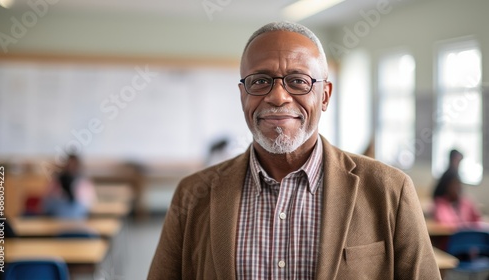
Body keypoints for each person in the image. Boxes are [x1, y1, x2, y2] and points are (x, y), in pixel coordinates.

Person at [148, 22, 440, 279]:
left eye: (298, 81)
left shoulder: (390, 190)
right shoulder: (192, 195)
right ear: (242, 95)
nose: (277, 96)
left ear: (324, 96)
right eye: (260, 81)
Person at [42, 154, 96, 219]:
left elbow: (89, 205)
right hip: (57, 217)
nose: (71, 167)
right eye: (69, 164)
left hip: (78, 218)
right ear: (65, 165)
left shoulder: (83, 182)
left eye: (73, 165)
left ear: (78, 166)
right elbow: (46, 205)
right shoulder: (56, 181)